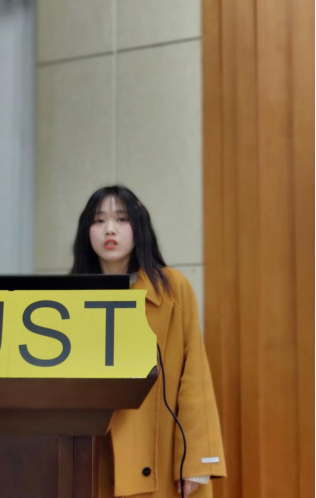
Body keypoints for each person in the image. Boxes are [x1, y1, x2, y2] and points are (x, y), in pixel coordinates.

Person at [71, 186, 227, 498]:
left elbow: (194, 376)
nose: (110, 229)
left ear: (139, 227)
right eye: (99, 220)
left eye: (121, 219)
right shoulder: (70, 297)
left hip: (161, 453)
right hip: (95, 452)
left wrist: (196, 459)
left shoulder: (172, 288)